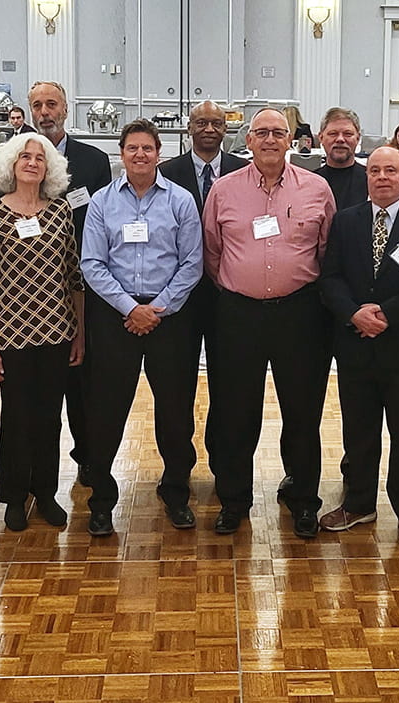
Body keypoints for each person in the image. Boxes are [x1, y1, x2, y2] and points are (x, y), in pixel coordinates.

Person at [202, 107, 336, 538]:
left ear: (292, 138)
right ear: (248, 140)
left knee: (302, 411)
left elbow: (326, 249)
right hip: (238, 314)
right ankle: (233, 499)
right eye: (262, 132)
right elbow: (212, 251)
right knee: (235, 411)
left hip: (300, 313)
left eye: (279, 132)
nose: (270, 140)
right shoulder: (223, 190)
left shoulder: (317, 189)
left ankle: (302, 500)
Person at [318, 146, 399, 548]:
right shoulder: (346, 221)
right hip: (356, 345)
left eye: (390, 170)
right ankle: (358, 503)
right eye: (374, 170)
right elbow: (330, 277)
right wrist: (354, 314)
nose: (382, 177)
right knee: (358, 431)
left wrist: (387, 313)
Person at [81, 119, 203, 537]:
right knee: (106, 411)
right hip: (117, 319)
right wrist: (131, 308)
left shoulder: (181, 201)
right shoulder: (101, 202)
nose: (139, 155)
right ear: (121, 153)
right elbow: (92, 264)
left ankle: (176, 493)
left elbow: (192, 263)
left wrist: (158, 308)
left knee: (175, 411)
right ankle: (100, 500)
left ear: (159, 153)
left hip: (170, 320)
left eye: (147, 149)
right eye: (131, 148)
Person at [0, 133, 82, 532]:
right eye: (24, 157)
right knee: (16, 418)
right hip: (11, 337)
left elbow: (74, 278)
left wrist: (80, 333)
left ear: (49, 167)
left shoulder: (60, 212)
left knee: (50, 418)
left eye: (40, 158)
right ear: (10, 165)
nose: (32, 162)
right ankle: (15, 496)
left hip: (57, 332)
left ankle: (47, 491)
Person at [158, 100, 248, 475]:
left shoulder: (245, 172)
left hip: (229, 297)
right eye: (201, 122)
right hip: (179, 299)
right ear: (188, 127)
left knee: (228, 385)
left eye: (216, 122)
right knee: (177, 389)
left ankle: (223, 462)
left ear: (225, 128)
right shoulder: (166, 172)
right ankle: (177, 467)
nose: (209, 128)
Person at [29, 80, 113, 484]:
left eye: (51, 104)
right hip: (27, 290)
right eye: (37, 105)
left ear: (65, 109)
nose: (44, 112)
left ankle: (86, 457)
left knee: (84, 381)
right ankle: (35, 465)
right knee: (37, 385)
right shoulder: (12, 159)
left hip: (83, 286)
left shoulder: (93, 161)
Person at [314, 107, 368, 210]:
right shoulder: (309, 183)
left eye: (347, 134)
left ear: (358, 138)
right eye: (333, 134)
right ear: (321, 138)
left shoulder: (371, 180)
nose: (340, 139)